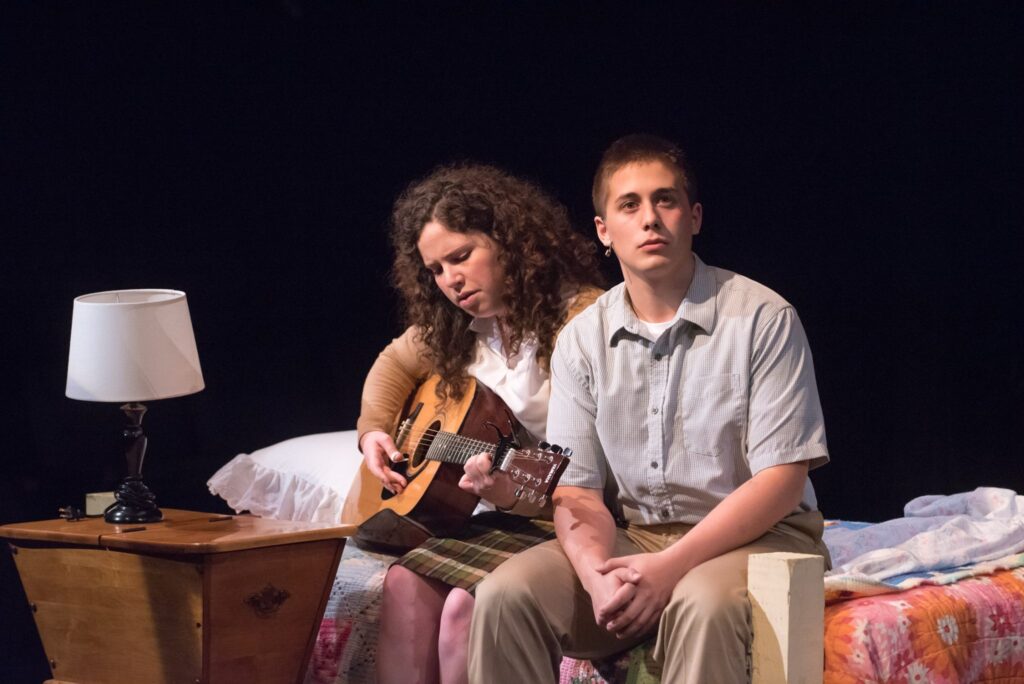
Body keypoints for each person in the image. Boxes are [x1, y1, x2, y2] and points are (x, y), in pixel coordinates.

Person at [469, 134, 831, 683]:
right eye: (629, 205)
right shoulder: (582, 341)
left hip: (762, 536)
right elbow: (577, 490)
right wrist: (596, 576)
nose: (650, 219)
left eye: (665, 200)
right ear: (603, 232)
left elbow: (781, 479)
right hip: (637, 535)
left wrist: (669, 568)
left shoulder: (762, 317)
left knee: (699, 604)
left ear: (695, 217)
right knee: (504, 595)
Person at [355, 163, 602, 684]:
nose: (450, 281)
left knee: (464, 610)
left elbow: (596, 462)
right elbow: (393, 365)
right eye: (436, 270)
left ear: (511, 242)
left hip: (574, 511)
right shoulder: (456, 328)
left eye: (461, 257)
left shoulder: (581, 318)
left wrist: (513, 489)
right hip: (504, 511)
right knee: (403, 584)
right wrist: (374, 431)